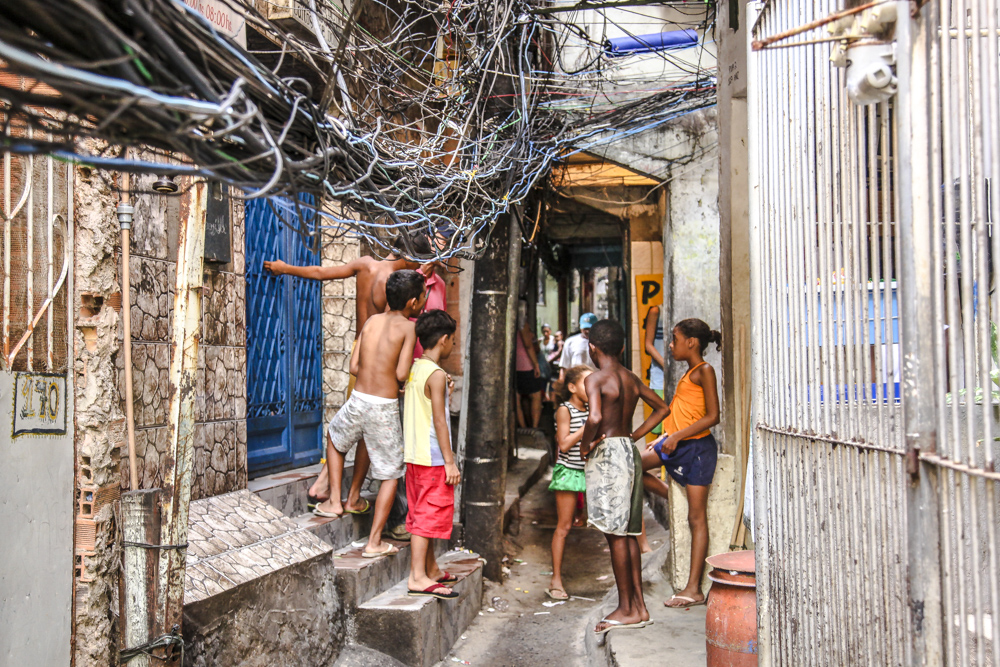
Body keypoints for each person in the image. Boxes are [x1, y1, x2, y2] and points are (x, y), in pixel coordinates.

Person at [263, 234, 432, 515]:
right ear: (412, 255)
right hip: (379, 362)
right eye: (419, 262)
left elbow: (320, 272)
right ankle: (341, 492)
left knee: (347, 427)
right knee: (366, 429)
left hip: (359, 351)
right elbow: (397, 325)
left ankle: (326, 486)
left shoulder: (366, 264)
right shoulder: (394, 283)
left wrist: (285, 268)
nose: (418, 268)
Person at [314, 270, 426, 558]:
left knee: (335, 438)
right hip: (383, 407)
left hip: (358, 400)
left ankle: (336, 502)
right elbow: (401, 372)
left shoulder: (372, 321)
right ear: (413, 302)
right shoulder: (409, 328)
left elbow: (354, 367)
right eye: (423, 296)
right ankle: (374, 542)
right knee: (390, 473)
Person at [579, 320, 670, 636]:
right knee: (628, 532)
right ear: (619, 347)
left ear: (593, 347)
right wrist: (634, 434)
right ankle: (638, 608)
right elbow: (662, 408)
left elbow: (594, 417)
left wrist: (585, 445)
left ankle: (626, 609)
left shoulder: (595, 379)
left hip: (608, 455)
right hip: (628, 451)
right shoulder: (630, 378)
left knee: (615, 535)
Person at [640, 318, 721, 608]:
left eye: (674, 339)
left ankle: (693, 589)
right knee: (632, 467)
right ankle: (674, 496)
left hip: (697, 449)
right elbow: (684, 412)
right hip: (676, 443)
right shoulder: (689, 374)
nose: (671, 345)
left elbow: (713, 416)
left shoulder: (704, 371)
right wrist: (664, 437)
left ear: (692, 343)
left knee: (696, 519)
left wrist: (675, 438)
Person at [403, 309, 461, 599]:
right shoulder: (436, 375)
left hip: (414, 456)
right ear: (444, 339)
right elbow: (440, 420)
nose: (453, 345)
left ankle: (432, 569)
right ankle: (417, 577)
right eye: (452, 340)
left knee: (418, 513)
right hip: (433, 459)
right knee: (427, 516)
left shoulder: (417, 368)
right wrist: (450, 462)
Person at [546, 365, 592, 602]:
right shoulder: (565, 411)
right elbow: (563, 444)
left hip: (589, 472)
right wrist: (587, 428)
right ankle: (555, 580)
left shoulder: (593, 409)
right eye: (587, 383)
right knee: (563, 527)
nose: (592, 387)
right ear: (572, 388)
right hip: (569, 472)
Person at [515, 320, 546, 430]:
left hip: (514, 365)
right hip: (525, 365)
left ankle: (523, 428)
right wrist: (535, 364)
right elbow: (528, 346)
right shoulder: (523, 324)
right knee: (536, 396)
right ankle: (534, 427)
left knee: (517, 398)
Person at [643, 305, 667, 435]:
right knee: (660, 421)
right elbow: (648, 345)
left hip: (682, 375)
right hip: (660, 375)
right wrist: (666, 365)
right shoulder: (656, 311)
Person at [558, 313, 597, 383]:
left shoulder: (602, 342)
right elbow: (564, 366)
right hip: (576, 382)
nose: (587, 331)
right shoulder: (570, 342)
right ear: (580, 327)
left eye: (590, 328)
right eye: (585, 328)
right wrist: (561, 382)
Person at [539, 324, 558, 402]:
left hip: (552, 365)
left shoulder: (554, 340)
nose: (545, 333)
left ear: (550, 331)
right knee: (542, 384)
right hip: (542, 366)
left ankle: (552, 403)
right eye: (544, 332)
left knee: (552, 385)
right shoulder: (540, 340)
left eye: (547, 331)